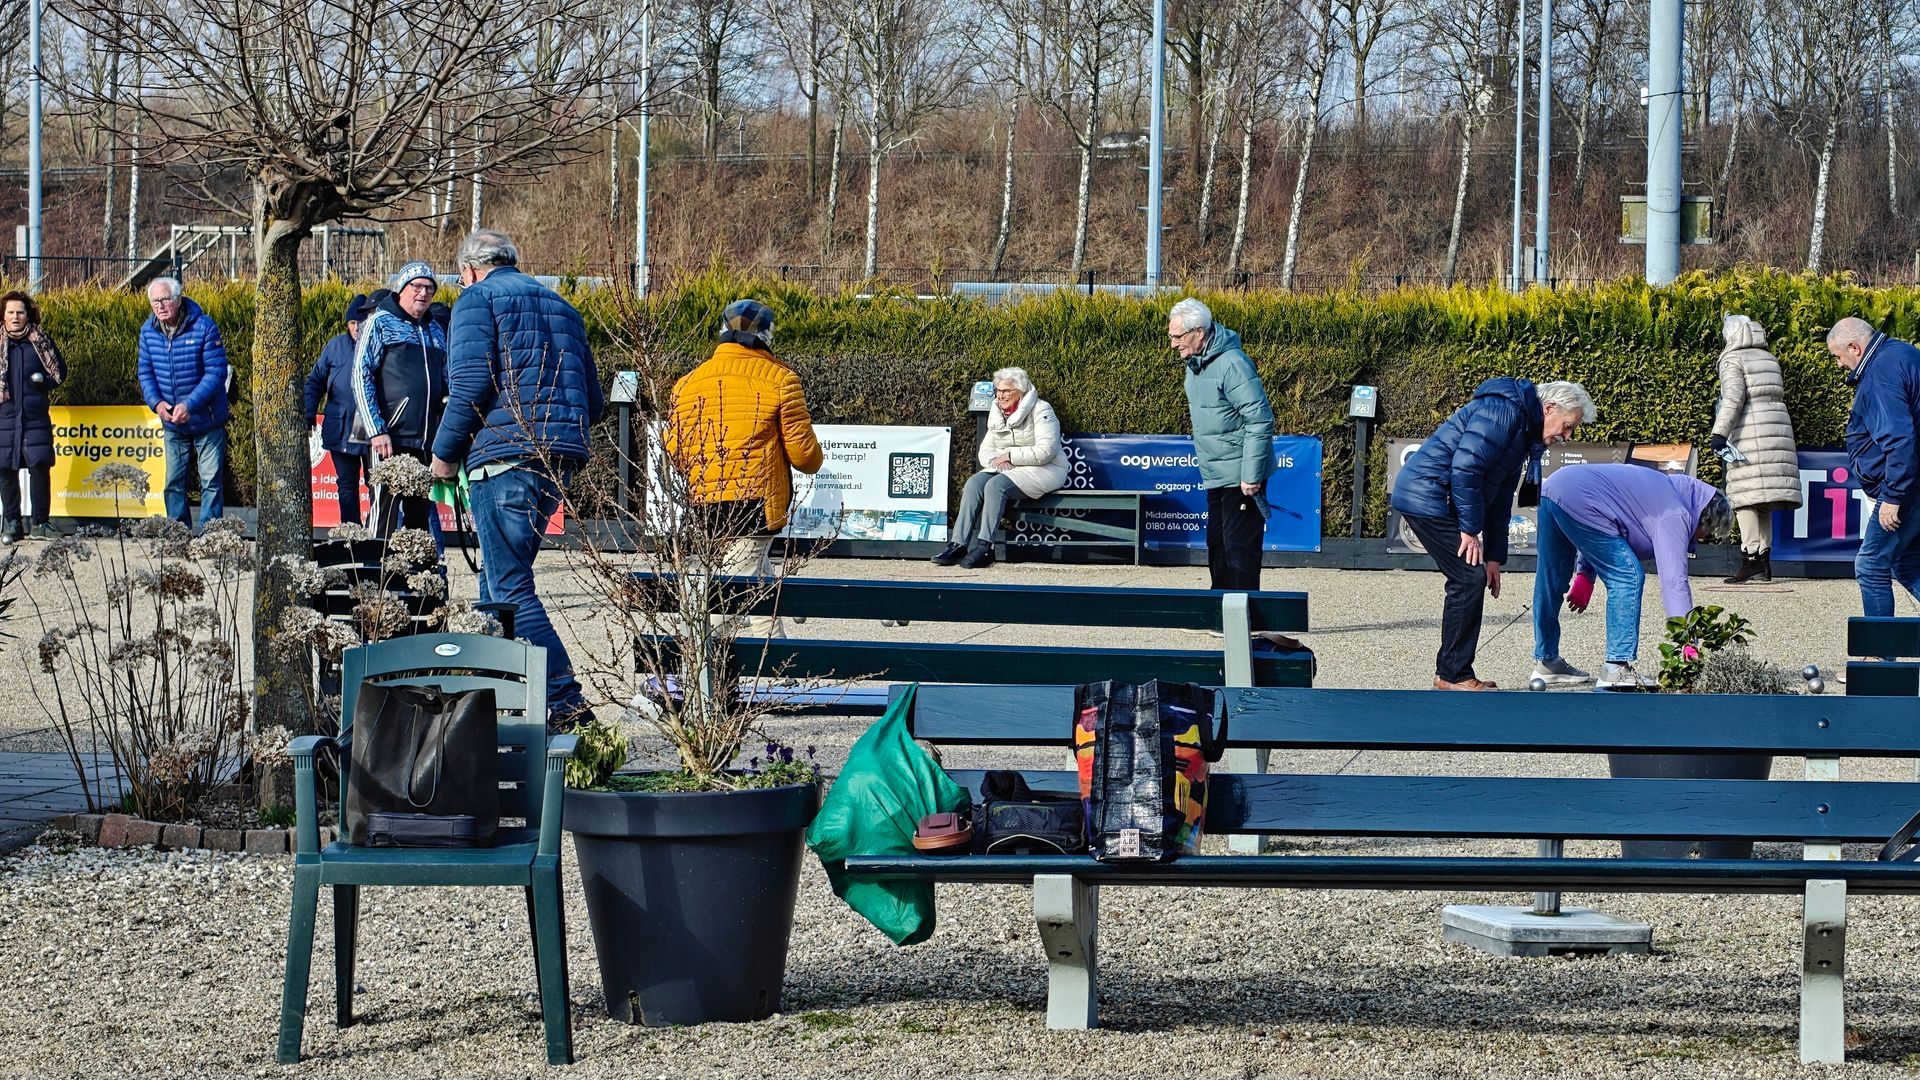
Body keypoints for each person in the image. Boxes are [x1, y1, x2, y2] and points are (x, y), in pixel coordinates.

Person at [432, 229, 603, 730]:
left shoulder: (475, 300)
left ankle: (565, 702)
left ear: (467, 270)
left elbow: (470, 385)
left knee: (507, 586)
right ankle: (494, 698)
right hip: (558, 459)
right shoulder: (563, 308)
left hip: (503, 457)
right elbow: (592, 401)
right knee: (495, 581)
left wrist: (444, 456)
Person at [1389, 378, 1593, 691]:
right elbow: (1466, 468)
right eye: (1566, 426)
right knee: (1468, 577)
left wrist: (1494, 557)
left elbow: (1500, 498)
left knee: (1473, 575)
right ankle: (1452, 675)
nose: (1566, 436)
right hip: (1426, 495)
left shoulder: (1522, 430)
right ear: (1549, 408)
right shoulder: (1503, 412)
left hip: (1437, 498)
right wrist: (1470, 531)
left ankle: (1452, 672)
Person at [665, 298, 824, 632]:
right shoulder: (780, 380)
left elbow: (675, 452)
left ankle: (779, 670)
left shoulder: (687, 383)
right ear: (767, 335)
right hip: (756, 508)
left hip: (705, 504)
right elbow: (806, 458)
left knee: (758, 585)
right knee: (730, 598)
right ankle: (695, 670)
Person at [1531, 463, 1731, 691]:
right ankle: (1616, 667)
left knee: (1551, 577)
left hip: (1553, 488)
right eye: (1709, 532)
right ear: (1706, 517)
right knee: (1628, 575)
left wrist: (1585, 574)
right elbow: (1674, 581)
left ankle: (1546, 661)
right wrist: (1686, 640)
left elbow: (1603, 519)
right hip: (1577, 496)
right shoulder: (1675, 514)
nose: (1704, 538)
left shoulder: (1661, 489)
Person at [1168, 297, 1275, 591]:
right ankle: (1220, 611)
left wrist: (1251, 475)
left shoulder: (1233, 364)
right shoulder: (1196, 365)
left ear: (1198, 332)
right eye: (1171, 336)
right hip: (1216, 474)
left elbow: (1260, 420)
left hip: (1241, 475)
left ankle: (1245, 617)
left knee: (1239, 549)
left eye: (1177, 337)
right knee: (1217, 544)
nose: (1173, 343)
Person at [1827, 316, 1920, 619]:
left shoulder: (1879, 373)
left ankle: (1880, 659)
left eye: (1838, 357)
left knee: (1871, 564)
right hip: (1911, 480)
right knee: (1905, 564)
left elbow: (1899, 440)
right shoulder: (1903, 353)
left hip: (1906, 486)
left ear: (1854, 347)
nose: (1839, 365)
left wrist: (1893, 497)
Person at [929, 367, 1067, 569]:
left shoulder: (1042, 409)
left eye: (1006, 391)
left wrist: (1010, 456)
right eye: (998, 391)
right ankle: (958, 544)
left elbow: (1047, 450)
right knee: (974, 483)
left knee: (995, 485)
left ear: (1021, 391)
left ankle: (986, 546)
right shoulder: (997, 412)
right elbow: (985, 451)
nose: (1001, 396)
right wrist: (997, 461)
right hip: (1009, 468)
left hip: (1046, 469)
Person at [355, 261, 450, 540]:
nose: (423, 294)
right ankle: (375, 578)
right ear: (401, 289)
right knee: (384, 512)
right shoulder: (379, 322)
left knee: (419, 518)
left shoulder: (436, 330)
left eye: (429, 289)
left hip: (426, 441)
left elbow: (447, 380)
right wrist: (376, 430)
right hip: (390, 437)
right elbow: (362, 376)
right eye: (417, 286)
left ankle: (414, 579)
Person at [1711, 314, 1802, 584]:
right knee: (1762, 502)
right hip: (1776, 430)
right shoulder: (1769, 358)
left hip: (1749, 432)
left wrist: (1719, 432)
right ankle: (1764, 561)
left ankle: (1749, 558)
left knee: (1744, 496)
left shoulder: (1732, 360)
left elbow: (1733, 398)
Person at [136, 277, 230, 531]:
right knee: (173, 481)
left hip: (207, 419)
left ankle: (211, 536)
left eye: (165, 299)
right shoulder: (148, 331)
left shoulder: (204, 327)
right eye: (155, 301)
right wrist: (157, 404)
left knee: (210, 481)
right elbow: (145, 373)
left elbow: (216, 373)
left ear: (178, 299)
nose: (160, 305)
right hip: (172, 422)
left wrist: (190, 405)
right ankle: (178, 532)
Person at [0, 291, 65, 542]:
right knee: (5, 469)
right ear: (3, 315)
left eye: (20, 312)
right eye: (10, 312)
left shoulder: (40, 341)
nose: (15, 317)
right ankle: (12, 524)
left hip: (35, 415)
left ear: (28, 315)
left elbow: (60, 372)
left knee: (39, 467)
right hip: (4, 416)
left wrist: (43, 383)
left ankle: (41, 523)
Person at [305, 293, 372, 525]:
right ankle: (351, 534)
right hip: (339, 425)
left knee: (375, 483)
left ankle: (376, 532)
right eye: (352, 323)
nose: (356, 327)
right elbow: (315, 381)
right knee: (346, 485)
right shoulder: (335, 347)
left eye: (360, 322)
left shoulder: (376, 344)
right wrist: (308, 412)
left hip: (369, 426)